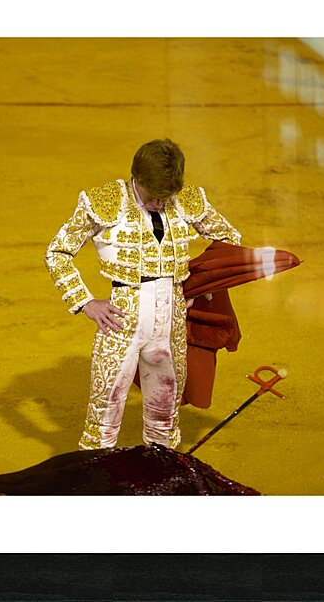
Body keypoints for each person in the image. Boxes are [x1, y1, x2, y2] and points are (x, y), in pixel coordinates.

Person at [44, 139, 241, 450]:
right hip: (122, 321)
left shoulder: (184, 198)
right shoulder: (105, 201)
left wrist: (198, 285)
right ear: (136, 177)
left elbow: (229, 240)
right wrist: (84, 302)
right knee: (103, 419)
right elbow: (58, 252)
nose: (160, 203)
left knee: (165, 419)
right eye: (154, 195)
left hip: (172, 322)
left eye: (167, 196)